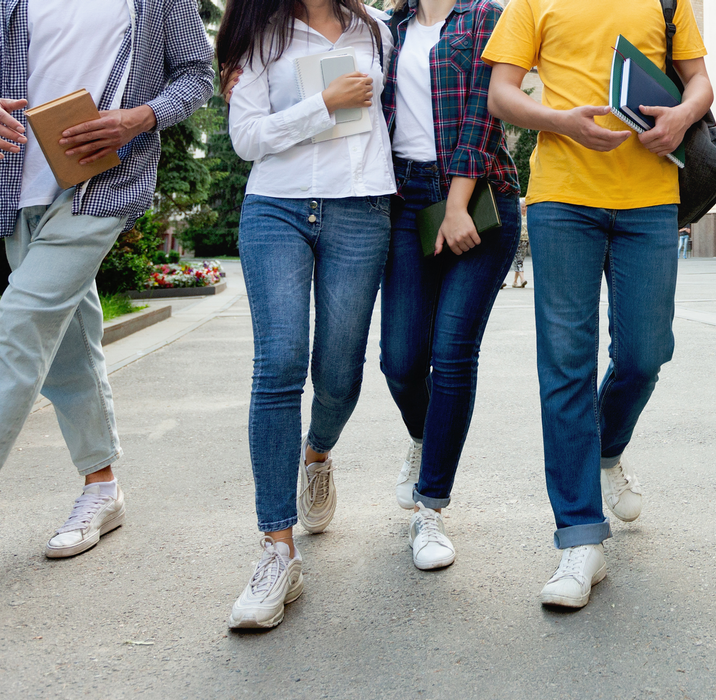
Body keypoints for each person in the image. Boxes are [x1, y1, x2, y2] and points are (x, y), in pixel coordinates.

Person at [484, 0, 712, 608]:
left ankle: (606, 447)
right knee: (565, 364)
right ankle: (579, 538)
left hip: (651, 197)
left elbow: (700, 82)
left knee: (645, 352)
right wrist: (561, 122)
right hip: (563, 196)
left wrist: (684, 117)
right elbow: (501, 95)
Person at [0, 0, 212, 557]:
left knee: (18, 327)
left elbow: (196, 75)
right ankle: (103, 487)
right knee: (68, 343)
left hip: (102, 187)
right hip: (15, 190)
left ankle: (102, 488)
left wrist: (138, 117)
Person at [218, 0, 395, 628]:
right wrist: (322, 104)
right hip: (277, 207)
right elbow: (246, 138)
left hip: (361, 209)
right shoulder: (256, 36)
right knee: (280, 363)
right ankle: (276, 550)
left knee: (340, 372)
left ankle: (316, 455)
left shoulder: (378, 28)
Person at [381, 0, 520, 572]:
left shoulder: (488, 15)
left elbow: (486, 114)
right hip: (404, 199)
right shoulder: (384, 28)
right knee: (400, 362)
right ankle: (424, 438)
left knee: (453, 354)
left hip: (480, 196)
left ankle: (430, 506)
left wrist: (458, 203)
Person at [511, 198, 529, 287]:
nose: (524, 209)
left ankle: (514, 282)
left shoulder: (528, 216)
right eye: (522, 207)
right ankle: (522, 279)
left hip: (525, 241)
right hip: (518, 240)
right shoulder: (518, 217)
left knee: (520, 260)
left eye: (525, 207)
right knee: (518, 260)